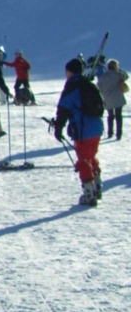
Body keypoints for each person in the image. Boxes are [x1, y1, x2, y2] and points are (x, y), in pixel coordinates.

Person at [54, 59, 106, 206]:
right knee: (90, 157)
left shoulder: (72, 86)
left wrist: (58, 127)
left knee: (83, 161)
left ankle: (89, 194)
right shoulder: (88, 84)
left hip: (83, 129)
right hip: (96, 127)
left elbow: (64, 107)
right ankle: (97, 187)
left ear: (70, 71)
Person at [97, 59, 128, 140]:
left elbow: (98, 87)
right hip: (118, 98)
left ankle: (110, 132)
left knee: (110, 116)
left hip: (108, 99)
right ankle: (119, 134)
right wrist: (119, 70)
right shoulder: (118, 74)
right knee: (118, 116)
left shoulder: (103, 76)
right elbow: (126, 76)